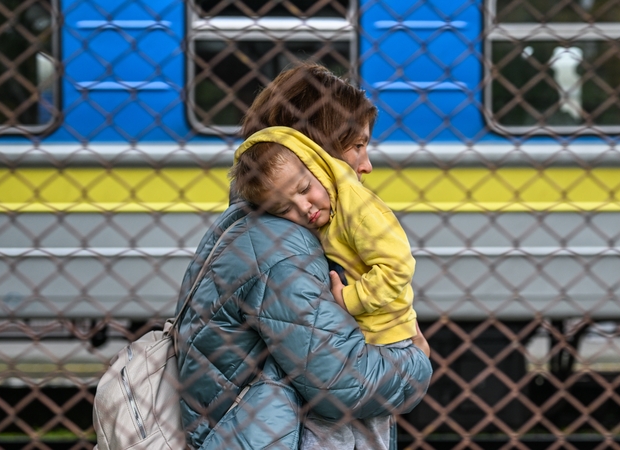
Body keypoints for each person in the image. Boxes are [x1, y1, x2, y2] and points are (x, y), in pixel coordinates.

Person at [174, 62, 432, 449]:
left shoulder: (269, 228)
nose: (367, 165)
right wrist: (417, 361)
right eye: (357, 146)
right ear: (313, 152)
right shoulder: (281, 248)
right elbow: (342, 383)